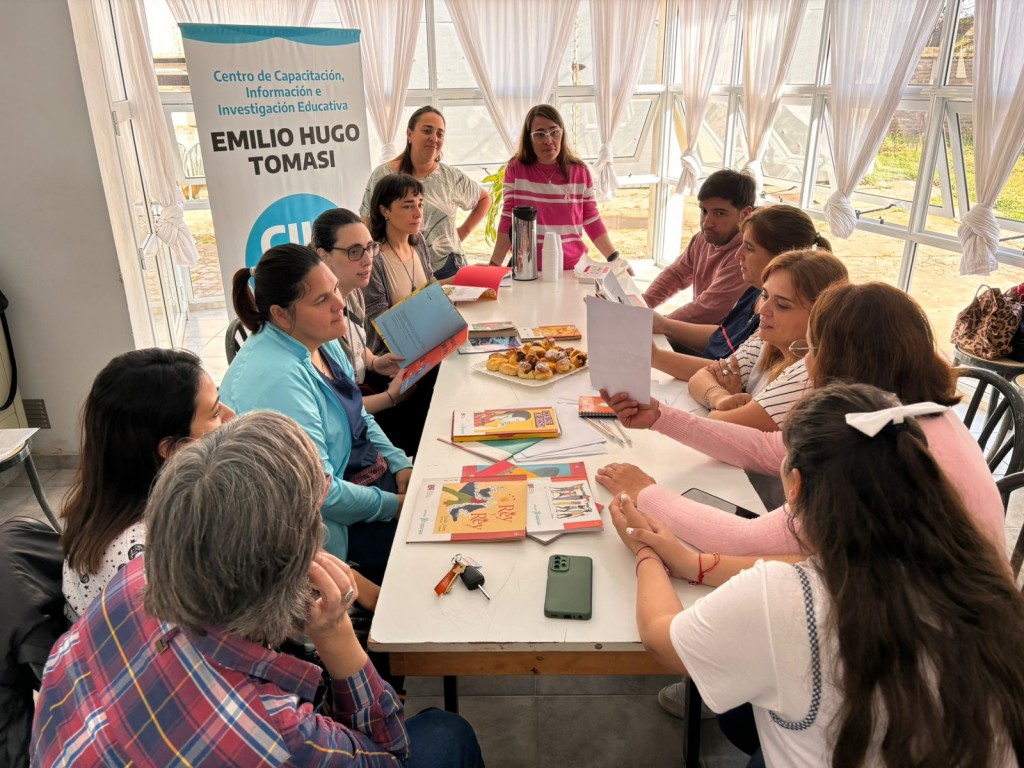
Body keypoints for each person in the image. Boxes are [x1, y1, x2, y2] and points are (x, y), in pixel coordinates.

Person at [33, 411, 486, 768]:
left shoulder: (131, 581)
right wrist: (335, 632)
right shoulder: (275, 731)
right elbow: (390, 753)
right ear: (299, 561)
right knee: (446, 734)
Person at [608, 383, 1024, 767]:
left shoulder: (787, 598)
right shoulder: (980, 577)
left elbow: (662, 641)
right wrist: (690, 562)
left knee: (740, 701)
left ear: (796, 486)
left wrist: (646, 551)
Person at [597, 282, 1006, 557]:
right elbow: (767, 448)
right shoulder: (917, 412)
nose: (806, 361)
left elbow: (743, 541)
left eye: (812, 348)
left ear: (838, 359)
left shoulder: (866, 447)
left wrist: (645, 492)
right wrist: (660, 417)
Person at [220, 244, 412, 582]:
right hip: (332, 530)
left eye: (335, 288)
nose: (340, 304)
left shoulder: (318, 339)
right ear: (280, 314)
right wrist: (396, 505)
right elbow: (320, 494)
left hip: (367, 489)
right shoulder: (276, 379)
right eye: (321, 300)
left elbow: (359, 416)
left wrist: (400, 464)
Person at [60, 348, 234, 618]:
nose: (230, 416)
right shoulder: (147, 553)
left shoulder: (108, 505)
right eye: (213, 414)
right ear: (172, 448)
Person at [676, 249, 848, 431]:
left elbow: (720, 423)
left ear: (819, 315)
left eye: (782, 305)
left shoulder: (807, 374)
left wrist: (729, 406)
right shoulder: (766, 339)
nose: (762, 310)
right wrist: (722, 397)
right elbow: (702, 376)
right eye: (765, 296)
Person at [312, 206, 432, 456]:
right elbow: (336, 408)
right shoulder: (318, 318)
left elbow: (358, 345)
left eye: (369, 248)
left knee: (431, 376)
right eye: (354, 252)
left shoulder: (355, 290)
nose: (368, 260)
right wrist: (391, 397)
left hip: (362, 390)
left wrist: (375, 361)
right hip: (352, 417)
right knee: (426, 410)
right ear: (323, 256)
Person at [658, 204, 832, 360]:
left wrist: (656, 355)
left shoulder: (780, 316)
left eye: (749, 248)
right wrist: (665, 325)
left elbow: (730, 373)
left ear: (782, 258)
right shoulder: (755, 292)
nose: (737, 255)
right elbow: (722, 337)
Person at [360, 106, 490, 279]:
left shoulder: (449, 177)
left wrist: (462, 232)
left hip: (447, 267)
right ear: (409, 134)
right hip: (399, 268)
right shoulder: (383, 175)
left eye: (440, 134)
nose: (434, 138)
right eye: (427, 131)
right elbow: (366, 220)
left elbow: (484, 199)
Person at [488, 104, 622, 272]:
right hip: (527, 267)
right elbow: (509, 216)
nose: (548, 140)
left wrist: (613, 257)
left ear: (562, 133)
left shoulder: (579, 172)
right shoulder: (516, 168)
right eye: (539, 134)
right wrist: (494, 265)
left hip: (572, 267)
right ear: (529, 139)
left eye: (554, 131)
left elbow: (591, 219)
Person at [644, 170, 755, 334]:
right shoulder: (703, 239)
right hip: (700, 332)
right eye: (703, 211)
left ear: (745, 214)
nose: (707, 223)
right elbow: (677, 274)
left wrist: (660, 324)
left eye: (719, 213)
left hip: (722, 344)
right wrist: (642, 304)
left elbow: (709, 308)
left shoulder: (747, 254)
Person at [365, 172, 435, 355]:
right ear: (384, 211)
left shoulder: (418, 241)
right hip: (395, 357)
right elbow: (382, 325)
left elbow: (431, 292)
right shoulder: (373, 258)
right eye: (408, 206)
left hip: (429, 341)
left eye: (420, 204)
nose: (418, 213)